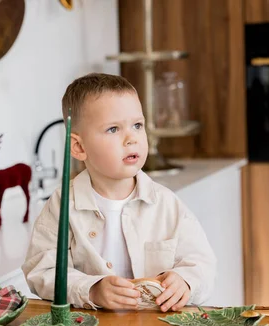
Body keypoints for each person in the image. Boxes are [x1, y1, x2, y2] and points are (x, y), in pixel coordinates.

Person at [22, 73, 216, 312]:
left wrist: (185, 281)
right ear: (79, 147)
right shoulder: (62, 205)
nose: (131, 138)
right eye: (113, 129)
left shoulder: (167, 203)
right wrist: (91, 289)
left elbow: (202, 264)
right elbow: (41, 270)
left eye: (137, 125)